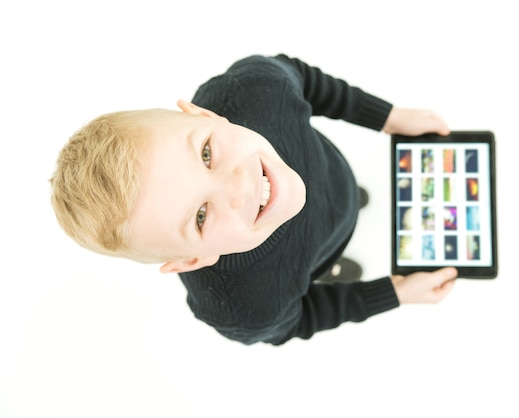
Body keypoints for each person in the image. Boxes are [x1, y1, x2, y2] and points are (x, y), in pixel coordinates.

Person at [50, 54, 457, 345]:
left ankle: (349, 198)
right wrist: (394, 294)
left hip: (331, 167)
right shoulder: (243, 306)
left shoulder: (251, 90)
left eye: (207, 153)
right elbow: (302, 318)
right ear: (193, 260)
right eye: (200, 216)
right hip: (318, 257)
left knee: (341, 193)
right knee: (315, 260)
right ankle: (328, 265)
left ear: (205, 116)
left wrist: (387, 116)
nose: (240, 186)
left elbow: (305, 79)